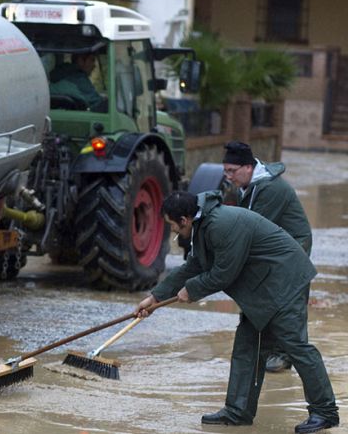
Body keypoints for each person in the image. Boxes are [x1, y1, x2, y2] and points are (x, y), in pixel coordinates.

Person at [137, 191, 339, 433]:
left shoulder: (221, 224)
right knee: (247, 347)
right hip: (262, 288)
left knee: (295, 346)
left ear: (184, 219)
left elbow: (224, 273)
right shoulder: (204, 225)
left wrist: (191, 290)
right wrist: (155, 297)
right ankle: (237, 412)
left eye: (173, 226)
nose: (174, 232)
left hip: (285, 281)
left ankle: (325, 412)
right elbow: (195, 264)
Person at [222, 141, 313, 372]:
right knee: (265, 294)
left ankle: (284, 355)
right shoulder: (250, 185)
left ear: (248, 167)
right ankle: (269, 349)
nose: (228, 176)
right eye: (225, 171)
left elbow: (251, 229)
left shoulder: (270, 189)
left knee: (288, 299)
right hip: (273, 244)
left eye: (232, 171)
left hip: (293, 246)